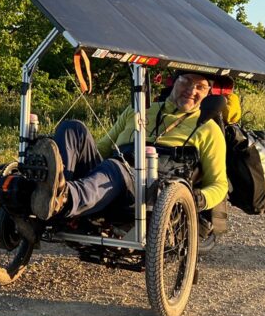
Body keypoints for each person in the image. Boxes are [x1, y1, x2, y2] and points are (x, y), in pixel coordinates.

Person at [13, 71, 229, 221]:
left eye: (200, 87)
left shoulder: (208, 129)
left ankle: (65, 197)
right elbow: (103, 148)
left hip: (146, 191)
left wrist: (197, 199)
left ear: (208, 93)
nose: (192, 90)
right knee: (73, 128)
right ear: (174, 81)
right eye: (187, 81)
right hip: (115, 172)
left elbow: (219, 184)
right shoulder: (140, 109)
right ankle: (54, 187)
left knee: (114, 167)